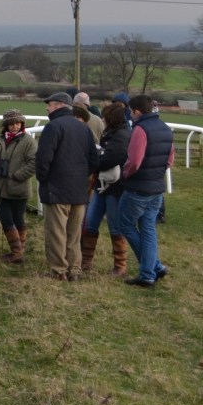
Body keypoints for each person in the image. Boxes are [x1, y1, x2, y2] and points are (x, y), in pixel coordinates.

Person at [35, 92, 99, 281]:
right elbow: (94, 160)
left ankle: (59, 270)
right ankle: (75, 270)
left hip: (56, 189)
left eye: (50, 104)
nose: (47, 108)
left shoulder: (53, 127)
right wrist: (82, 177)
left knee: (56, 232)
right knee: (73, 233)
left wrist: (44, 179)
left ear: (59, 105)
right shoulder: (84, 129)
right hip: (79, 189)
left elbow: (43, 159)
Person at [119, 95, 174, 287]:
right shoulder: (166, 129)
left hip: (138, 188)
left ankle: (150, 270)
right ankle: (153, 269)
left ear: (137, 111)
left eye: (131, 111)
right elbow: (169, 160)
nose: (130, 114)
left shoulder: (140, 129)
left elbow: (134, 161)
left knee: (125, 225)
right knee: (148, 228)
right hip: (157, 188)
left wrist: (125, 174)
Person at [80, 103, 132, 276]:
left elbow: (110, 159)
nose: (102, 119)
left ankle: (120, 265)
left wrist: (94, 160)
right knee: (90, 221)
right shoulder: (112, 133)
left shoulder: (121, 136)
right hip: (102, 185)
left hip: (115, 187)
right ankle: (85, 261)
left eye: (105, 117)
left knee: (114, 226)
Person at [0, 109, 37, 263]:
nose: (15, 126)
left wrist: (18, 176)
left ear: (22, 124)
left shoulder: (28, 141)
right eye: (11, 124)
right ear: (6, 126)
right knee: (8, 218)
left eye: (18, 123)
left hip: (19, 188)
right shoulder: (0, 139)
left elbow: (35, 162)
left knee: (15, 219)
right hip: (2, 187)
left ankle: (17, 253)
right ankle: (18, 252)